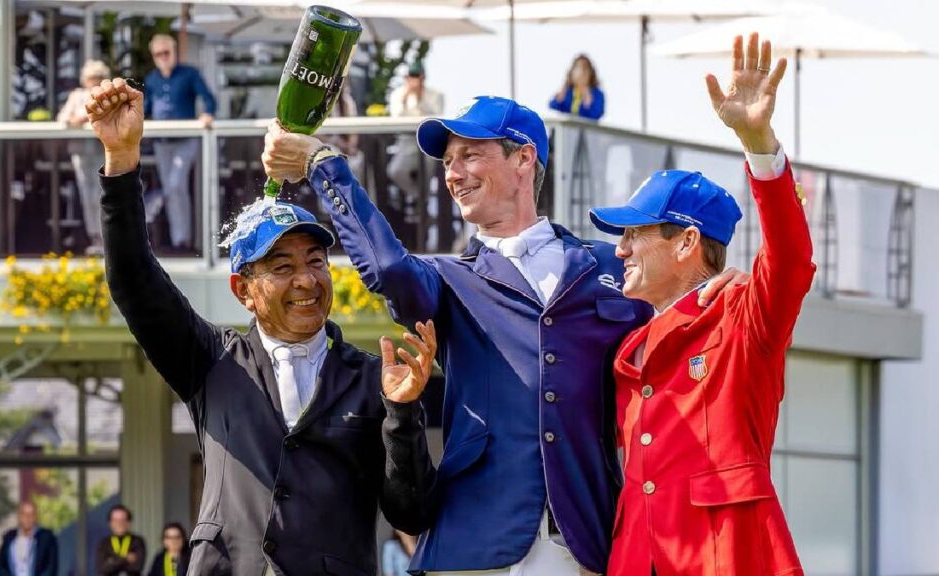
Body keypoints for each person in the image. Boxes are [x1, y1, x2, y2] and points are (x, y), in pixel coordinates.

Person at [263, 94, 743, 573]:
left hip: (583, 542)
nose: (453, 173)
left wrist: (721, 284)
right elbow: (387, 267)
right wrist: (323, 165)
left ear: (524, 157)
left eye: (470, 154)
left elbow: (687, 316)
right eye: (448, 162)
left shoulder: (610, 266)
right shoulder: (448, 278)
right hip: (474, 541)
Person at [85, 77, 437, 575]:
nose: (305, 280)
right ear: (243, 291)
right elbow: (133, 281)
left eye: (316, 261)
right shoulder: (212, 362)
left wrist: (402, 415)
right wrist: (121, 160)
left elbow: (412, 512)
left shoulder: (370, 378)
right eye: (281, 267)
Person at [589, 33, 812, 575]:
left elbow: (790, 260)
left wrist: (759, 143)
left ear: (686, 243)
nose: (618, 250)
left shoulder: (742, 318)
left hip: (726, 558)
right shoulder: (629, 344)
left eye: (634, 234)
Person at [143, 34, 217, 253]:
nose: (163, 57)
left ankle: (183, 239)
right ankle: (179, 240)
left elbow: (209, 98)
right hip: (161, 141)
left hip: (186, 139)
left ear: (174, 52)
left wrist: (207, 114)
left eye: (166, 52)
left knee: (176, 185)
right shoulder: (152, 78)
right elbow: (146, 107)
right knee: (171, 189)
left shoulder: (189, 74)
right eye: (158, 54)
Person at [57, 59, 110, 255]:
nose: (92, 82)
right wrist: (73, 120)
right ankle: (94, 237)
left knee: (100, 194)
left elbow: (107, 118)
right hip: (79, 150)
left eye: (97, 78)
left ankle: (105, 237)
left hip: (100, 150)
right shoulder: (76, 96)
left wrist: (85, 119)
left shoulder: (107, 95)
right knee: (86, 195)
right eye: (89, 78)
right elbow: (62, 118)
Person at [386, 61, 444, 198]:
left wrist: (420, 97)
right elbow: (396, 118)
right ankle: (418, 197)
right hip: (406, 142)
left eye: (416, 75)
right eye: (410, 76)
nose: (414, 79)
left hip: (428, 142)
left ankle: (423, 202)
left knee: (428, 168)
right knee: (395, 171)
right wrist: (405, 99)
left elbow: (436, 118)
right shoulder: (397, 95)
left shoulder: (436, 95)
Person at [0, 501, 59, 576]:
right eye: (24, 514)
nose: (28, 518)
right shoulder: (9, 537)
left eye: (31, 514)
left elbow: (51, 568)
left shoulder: (47, 538)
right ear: (19, 516)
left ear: (36, 517)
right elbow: (2, 565)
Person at [549, 54, 605, 121]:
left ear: (590, 73)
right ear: (572, 72)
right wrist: (562, 93)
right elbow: (553, 106)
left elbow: (596, 114)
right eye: (578, 67)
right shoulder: (567, 92)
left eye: (585, 68)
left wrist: (587, 99)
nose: (581, 72)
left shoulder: (597, 94)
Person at [96, 504, 147, 576]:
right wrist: (125, 558)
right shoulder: (104, 543)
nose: (119, 524)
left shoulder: (137, 541)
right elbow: (102, 568)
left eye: (123, 520)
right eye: (115, 520)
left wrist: (112, 560)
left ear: (129, 523)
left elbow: (137, 567)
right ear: (110, 523)